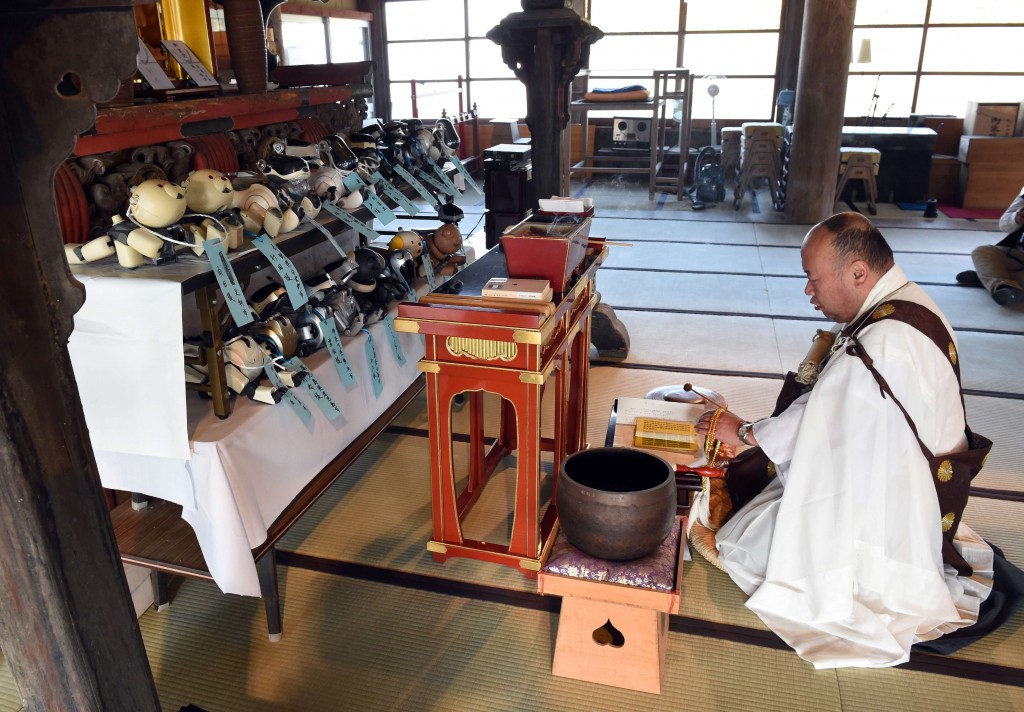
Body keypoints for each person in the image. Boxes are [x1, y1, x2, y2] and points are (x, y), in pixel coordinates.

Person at [696, 212, 993, 669]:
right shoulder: (909, 304)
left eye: (813, 280)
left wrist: (743, 431)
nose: (807, 292)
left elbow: (816, 421)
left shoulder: (886, 340)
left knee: (751, 543)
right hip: (921, 478)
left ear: (858, 272)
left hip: (900, 504)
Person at [955, 186, 1024, 306]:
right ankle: (997, 279)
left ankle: (990, 278)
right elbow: (1004, 224)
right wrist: (1016, 219)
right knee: (982, 252)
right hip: (1018, 254)